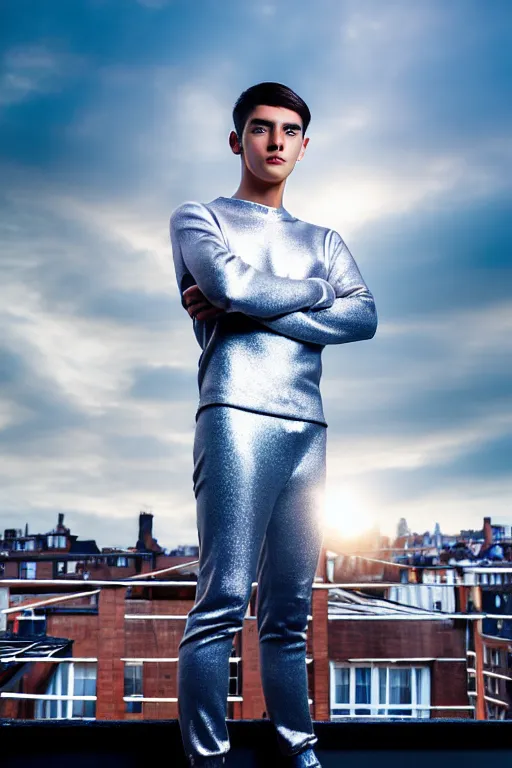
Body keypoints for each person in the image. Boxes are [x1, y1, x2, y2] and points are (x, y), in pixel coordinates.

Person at [169, 81, 377, 767]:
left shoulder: (323, 239)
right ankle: (208, 760)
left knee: (288, 613)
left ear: (304, 146)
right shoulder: (199, 219)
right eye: (261, 129)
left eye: (289, 131)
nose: (276, 141)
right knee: (222, 600)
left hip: (308, 428)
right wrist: (320, 294)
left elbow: (365, 317)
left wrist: (255, 303)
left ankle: (301, 752)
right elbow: (228, 287)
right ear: (238, 140)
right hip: (233, 415)